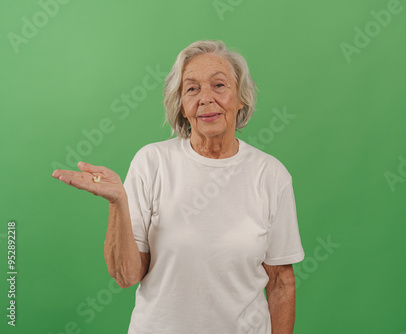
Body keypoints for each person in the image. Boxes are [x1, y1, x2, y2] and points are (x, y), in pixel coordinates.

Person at [52, 40, 305, 334]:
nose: (206, 99)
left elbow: (280, 282)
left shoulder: (271, 175)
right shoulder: (152, 161)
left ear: (241, 99)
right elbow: (126, 276)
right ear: (182, 106)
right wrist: (118, 203)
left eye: (219, 85)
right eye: (192, 89)